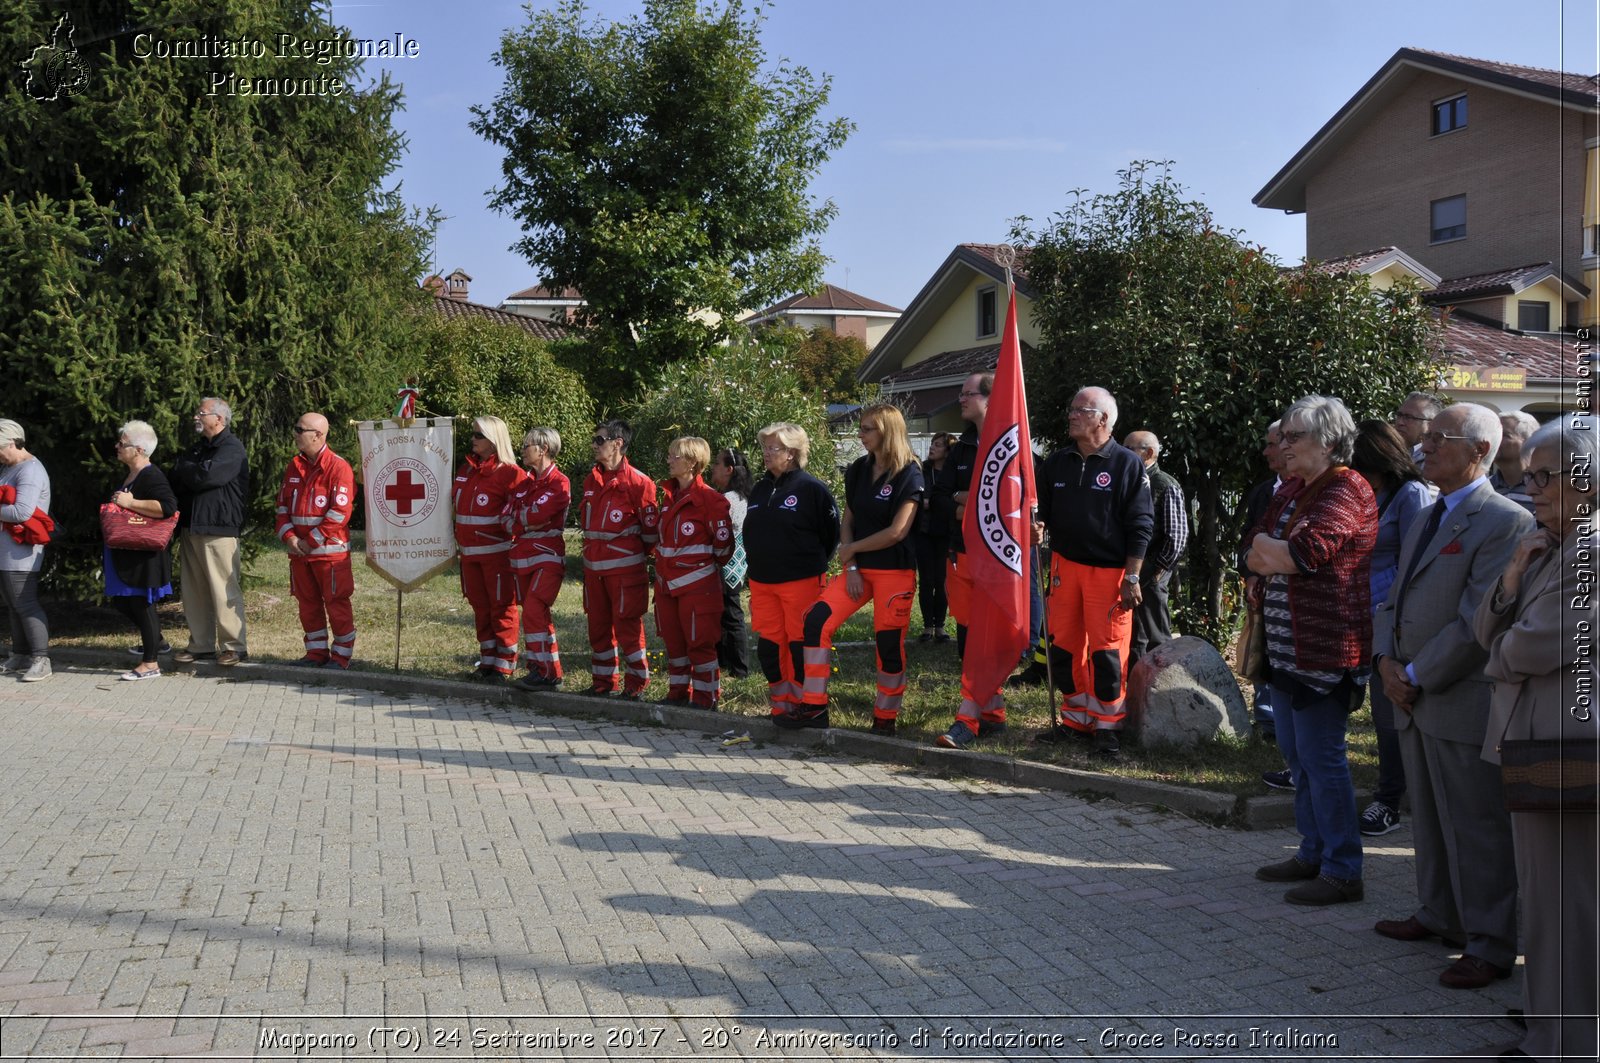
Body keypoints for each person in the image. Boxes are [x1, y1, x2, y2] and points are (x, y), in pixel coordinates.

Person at [1371, 403, 1533, 986]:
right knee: (1431, 818)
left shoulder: (1506, 522)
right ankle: (1439, 913)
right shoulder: (1426, 511)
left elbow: (1475, 624)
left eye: (1442, 438)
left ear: (1480, 451)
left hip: (1457, 694)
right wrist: (1384, 660)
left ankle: (1490, 942)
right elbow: (1392, 598)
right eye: (1427, 436)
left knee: (1476, 823)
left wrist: (1411, 675)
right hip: (1411, 690)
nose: (1425, 446)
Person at [1470, 413, 1598, 1062]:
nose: (1533, 488)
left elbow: (1533, 645)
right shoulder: (1551, 543)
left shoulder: (1594, 550)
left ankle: (1565, 1042)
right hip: (1536, 740)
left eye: (1545, 476)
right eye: (1530, 475)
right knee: (1544, 899)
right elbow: (1484, 626)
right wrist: (1517, 571)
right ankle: (1550, 1027)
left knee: (1564, 904)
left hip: (1567, 745)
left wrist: (1500, 653)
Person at [1247, 395, 1376, 906]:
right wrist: (1273, 554)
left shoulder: (1346, 487)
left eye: (1294, 436)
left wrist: (1276, 554)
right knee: (1297, 757)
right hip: (1285, 650)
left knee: (1324, 760)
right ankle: (1312, 851)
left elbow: (1304, 554)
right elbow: (1252, 546)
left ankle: (1344, 870)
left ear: (1327, 441)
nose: (1283, 444)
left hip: (1326, 650)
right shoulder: (1296, 488)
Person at [1030, 387, 1153, 759]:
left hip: (1109, 573)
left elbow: (1141, 524)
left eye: (1079, 410)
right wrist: (1037, 526)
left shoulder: (1127, 464)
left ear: (1103, 419)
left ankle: (1107, 727)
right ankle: (1075, 720)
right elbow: (1041, 510)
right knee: (1064, 646)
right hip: (1064, 568)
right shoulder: (1057, 462)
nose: (1071, 415)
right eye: (1072, 409)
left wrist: (1132, 577)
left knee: (1107, 654)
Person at [795, 404, 922, 734]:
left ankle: (885, 718)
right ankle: (813, 707)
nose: (860, 435)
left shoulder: (910, 472)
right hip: (858, 570)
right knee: (816, 620)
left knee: (889, 645)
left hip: (895, 572)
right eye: (861, 428)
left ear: (887, 431)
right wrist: (850, 564)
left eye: (868, 429)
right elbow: (848, 521)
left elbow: (898, 531)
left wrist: (851, 549)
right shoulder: (858, 469)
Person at [1350, 419, 1436, 836]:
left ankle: (1390, 801)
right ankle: (1389, 794)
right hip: (1366, 615)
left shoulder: (1411, 494)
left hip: (1398, 618)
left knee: (1391, 714)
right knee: (1379, 711)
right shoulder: (1371, 492)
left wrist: (1377, 597)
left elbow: (1416, 562)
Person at [744, 423, 839, 722]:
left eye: (774, 448)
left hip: (801, 580)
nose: (766, 454)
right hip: (762, 581)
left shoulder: (812, 489)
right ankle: (782, 704)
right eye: (765, 448)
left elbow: (831, 535)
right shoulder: (760, 488)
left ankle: (807, 706)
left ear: (793, 453)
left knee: (800, 646)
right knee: (770, 647)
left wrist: (806, 563)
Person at [653, 437, 733, 708]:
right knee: (674, 644)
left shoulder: (710, 500)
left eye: (675, 456)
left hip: (698, 588)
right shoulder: (667, 495)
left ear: (692, 463)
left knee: (700, 643)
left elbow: (723, 548)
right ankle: (677, 694)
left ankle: (705, 698)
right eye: (670, 455)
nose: (669, 460)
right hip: (666, 587)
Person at [579, 420, 657, 698]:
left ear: (617, 443)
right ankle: (603, 683)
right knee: (598, 627)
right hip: (593, 571)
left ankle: (636, 685)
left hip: (625, 573)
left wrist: (629, 557)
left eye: (599, 440)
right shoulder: (592, 479)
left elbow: (650, 533)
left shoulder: (639, 483)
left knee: (627, 628)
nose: (594, 445)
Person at [169, 397, 249, 666]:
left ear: (219, 418)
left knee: (223, 589)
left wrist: (189, 471)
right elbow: (178, 473)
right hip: (191, 526)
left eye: (201, 413)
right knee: (194, 590)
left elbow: (208, 477)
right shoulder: (197, 449)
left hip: (219, 529)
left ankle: (233, 646)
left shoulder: (232, 448)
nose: (196, 417)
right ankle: (201, 644)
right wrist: (191, 470)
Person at [276, 413, 357, 669]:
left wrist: (310, 541)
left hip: (329, 554)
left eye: (300, 429)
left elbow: (340, 513)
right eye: (296, 428)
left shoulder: (338, 467)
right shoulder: (294, 465)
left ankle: (341, 656)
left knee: (336, 604)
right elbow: (282, 507)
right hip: (300, 553)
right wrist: (289, 537)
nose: (295, 433)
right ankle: (315, 653)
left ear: (318, 435)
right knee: (307, 604)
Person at [103, 421, 179, 681]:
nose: (117, 446)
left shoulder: (151, 474)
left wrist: (131, 502)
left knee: (141, 604)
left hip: (144, 554)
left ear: (138, 449)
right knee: (122, 601)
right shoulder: (132, 474)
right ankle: (155, 642)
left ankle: (150, 664)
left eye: (122, 443)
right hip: (129, 552)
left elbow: (168, 506)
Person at [452, 416, 526, 682]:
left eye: (479, 435)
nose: (473, 439)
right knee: (480, 607)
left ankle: (505, 665)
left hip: (497, 556)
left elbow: (518, 518)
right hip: (470, 555)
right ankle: (487, 661)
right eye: (474, 434)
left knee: (501, 607)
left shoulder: (511, 474)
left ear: (494, 440)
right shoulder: (467, 470)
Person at [505, 427, 571, 691]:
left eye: (526, 445)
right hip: (522, 558)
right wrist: (526, 521)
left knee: (534, 608)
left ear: (543, 449)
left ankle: (548, 673)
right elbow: (506, 518)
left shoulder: (559, 482)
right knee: (533, 614)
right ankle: (541, 670)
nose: (522, 449)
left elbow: (537, 515)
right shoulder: (524, 483)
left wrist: (525, 520)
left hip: (548, 556)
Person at [1240, 421, 1288, 755]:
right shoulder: (1263, 491)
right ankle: (1267, 718)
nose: (1266, 451)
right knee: (1260, 648)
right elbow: (1248, 538)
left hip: (1291, 593)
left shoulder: (1319, 493)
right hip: (1262, 588)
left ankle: (1285, 722)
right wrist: (1251, 574)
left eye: (1273, 444)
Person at [1123, 430, 1189, 667]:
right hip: (1132, 569)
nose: (1123, 454)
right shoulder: (1129, 480)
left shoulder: (1164, 484)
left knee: (1156, 635)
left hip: (1152, 571)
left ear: (1149, 453)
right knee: (1133, 634)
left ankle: (1161, 688)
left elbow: (1177, 536)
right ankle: (1135, 686)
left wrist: (1158, 571)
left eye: (1129, 449)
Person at [0, 419, 51, 683]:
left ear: (11, 443)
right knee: (13, 604)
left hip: (22, 552)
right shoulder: (10, 467)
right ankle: (19, 654)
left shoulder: (30, 470)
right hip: (7, 550)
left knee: (25, 603)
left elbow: (23, 511)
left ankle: (41, 660)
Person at [708, 446, 753, 679]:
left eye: (717, 463)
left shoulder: (729, 500)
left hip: (728, 564)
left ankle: (739, 669)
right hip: (735, 565)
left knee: (731, 615)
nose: (713, 467)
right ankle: (728, 664)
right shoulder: (738, 496)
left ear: (729, 470)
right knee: (726, 613)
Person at [914, 432, 955, 642]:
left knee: (942, 580)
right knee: (926, 580)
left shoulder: (951, 473)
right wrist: (928, 502)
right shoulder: (922, 469)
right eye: (932, 444)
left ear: (947, 451)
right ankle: (927, 627)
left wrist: (937, 502)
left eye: (938, 445)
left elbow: (950, 500)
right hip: (924, 531)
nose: (932, 447)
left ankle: (940, 626)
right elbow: (919, 497)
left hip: (945, 532)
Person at [1490, 410, 1539, 514]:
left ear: (1528, 441)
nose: (1494, 439)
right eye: (1494, 434)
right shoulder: (1486, 488)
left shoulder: (1543, 487)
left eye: (1505, 435)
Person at [1393, 391, 1442, 462]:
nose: (1400, 422)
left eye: (1408, 417)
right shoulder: (1384, 451)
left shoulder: (1434, 460)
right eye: (1399, 415)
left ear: (1430, 424)